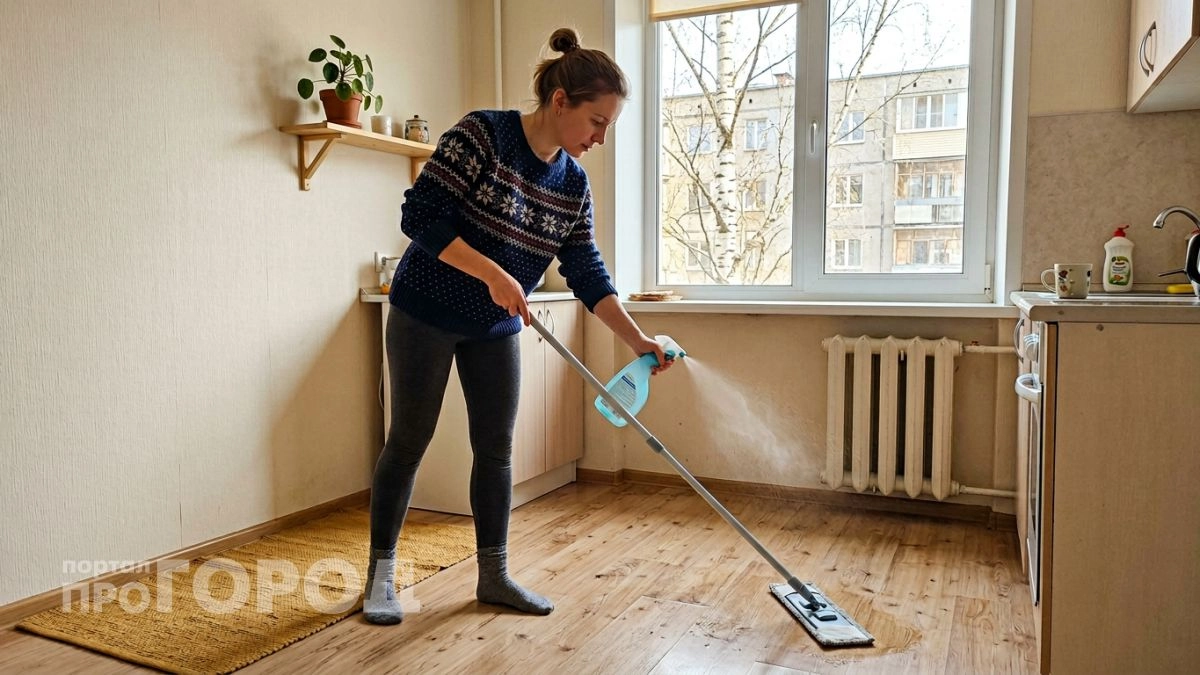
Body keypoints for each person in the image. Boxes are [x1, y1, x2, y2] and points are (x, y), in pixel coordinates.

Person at [363, 27, 677, 625]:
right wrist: (492, 273)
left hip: (493, 327)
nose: (599, 138)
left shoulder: (573, 185)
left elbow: (586, 272)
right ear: (560, 102)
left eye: (608, 126)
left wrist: (639, 341)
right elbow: (419, 215)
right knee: (408, 441)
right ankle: (380, 577)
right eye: (596, 121)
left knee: (496, 451)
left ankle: (494, 575)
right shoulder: (483, 135)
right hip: (423, 310)